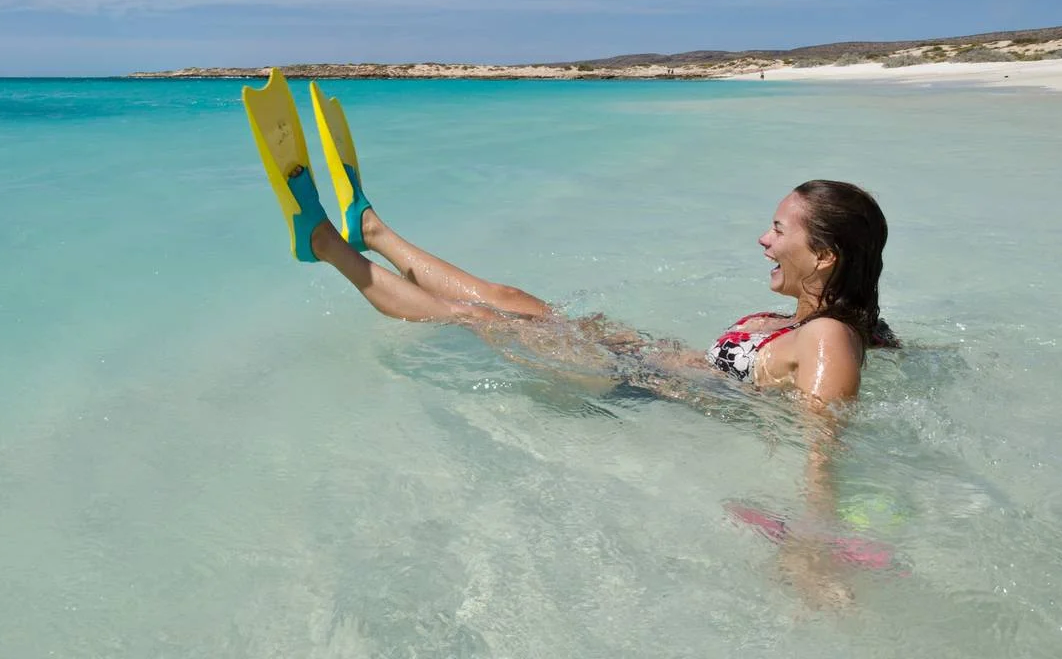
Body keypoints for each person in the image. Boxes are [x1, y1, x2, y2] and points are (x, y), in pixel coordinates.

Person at [243, 70, 895, 603]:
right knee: (507, 297)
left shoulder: (828, 339)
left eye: (779, 230)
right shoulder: (806, 323)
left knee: (477, 317)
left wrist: (813, 543)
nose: (763, 239)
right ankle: (372, 229)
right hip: (643, 357)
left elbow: (822, 443)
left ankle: (325, 244)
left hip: (637, 387)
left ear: (824, 255)